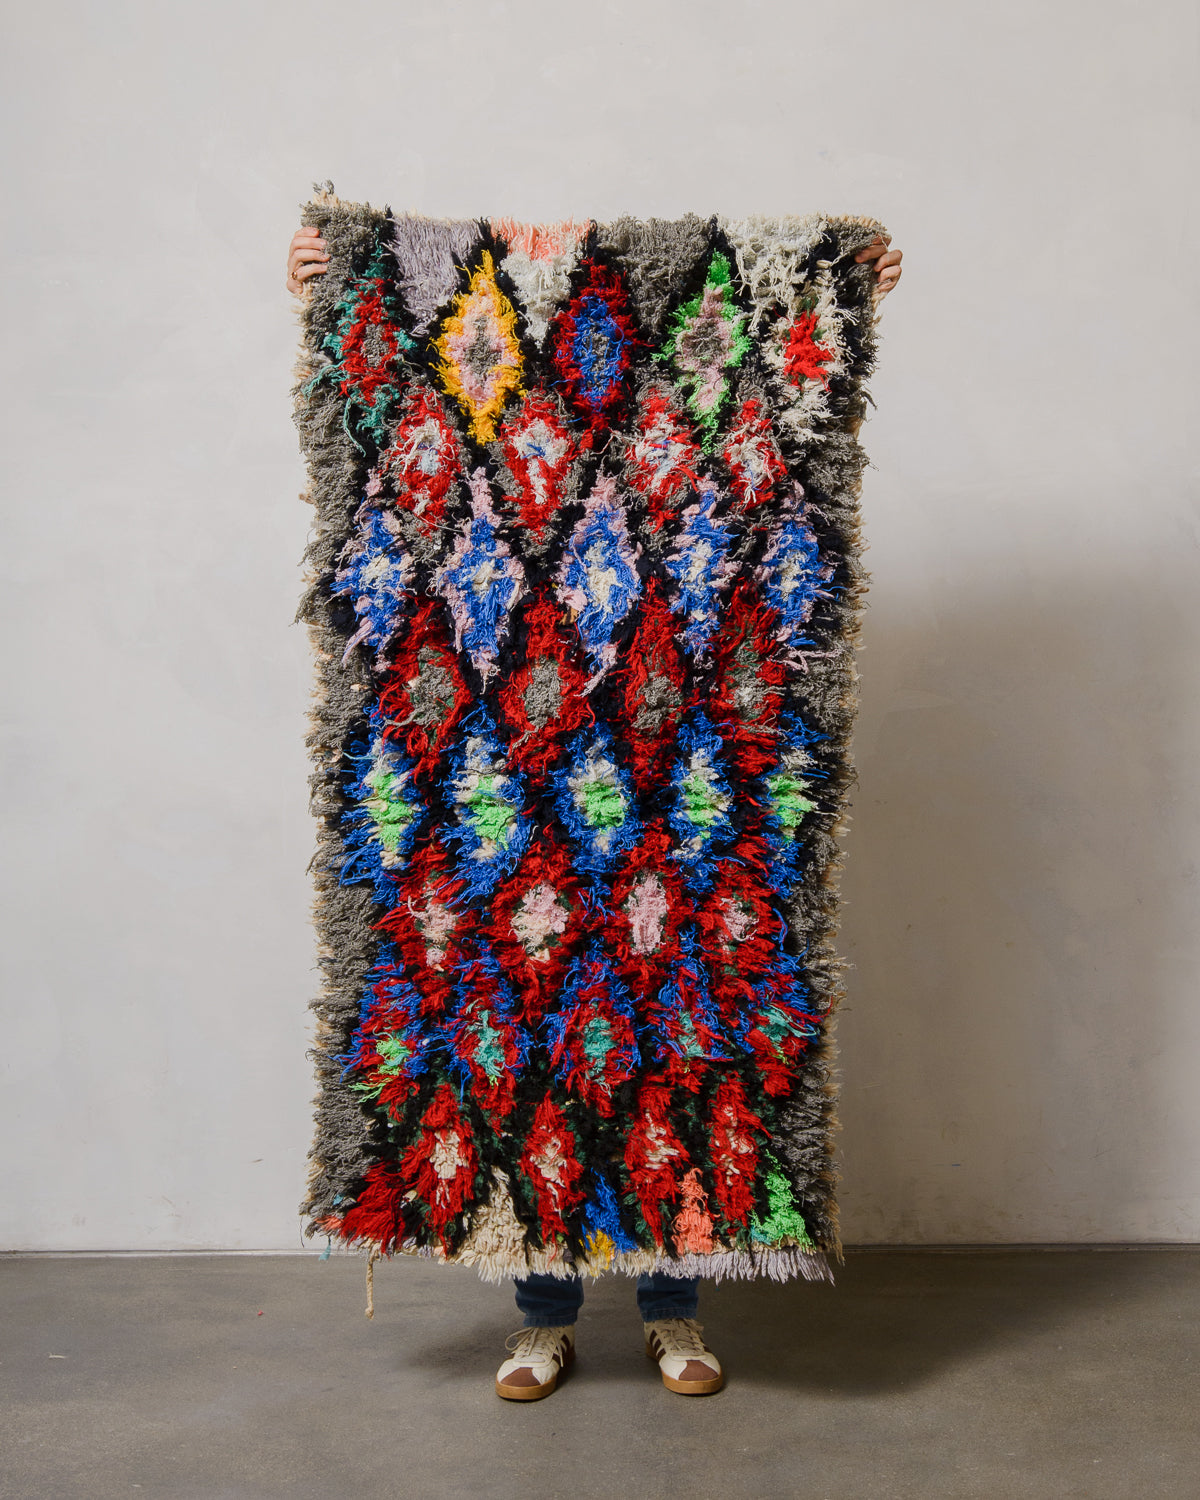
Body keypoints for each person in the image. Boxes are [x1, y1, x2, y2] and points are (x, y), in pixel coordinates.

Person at [285, 218, 902, 1400]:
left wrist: (843, 283)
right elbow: (391, 415)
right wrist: (332, 286)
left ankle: (675, 1309)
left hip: (665, 740)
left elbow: (776, 409)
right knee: (525, 1007)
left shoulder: (669, 449)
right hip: (519, 745)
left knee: (672, 1003)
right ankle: (543, 1316)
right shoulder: (502, 415)